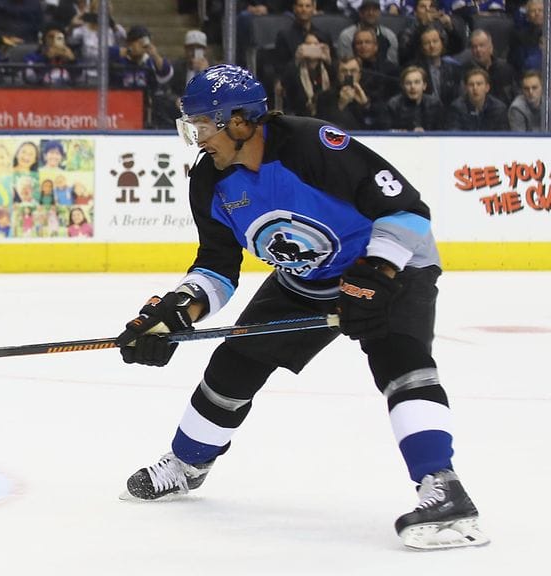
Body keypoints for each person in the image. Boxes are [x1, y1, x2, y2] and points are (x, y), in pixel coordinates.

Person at [115, 64, 488, 551]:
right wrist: (178, 311)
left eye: (205, 125)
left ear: (242, 122)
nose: (197, 138)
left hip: (393, 264)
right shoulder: (209, 182)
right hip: (305, 277)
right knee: (235, 363)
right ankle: (188, 464)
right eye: (193, 126)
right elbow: (217, 267)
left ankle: (443, 487)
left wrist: (376, 276)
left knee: (402, 361)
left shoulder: (311, 146)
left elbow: (406, 211)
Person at [380, 65, 444, 131]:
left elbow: (442, 131)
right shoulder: (393, 105)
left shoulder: (435, 104)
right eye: (408, 83)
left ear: (424, 86)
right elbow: (386, 131)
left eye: (417, 82)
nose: (413, 87)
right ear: (402, 86)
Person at [444, 67, 509, 131]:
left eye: (479, 84)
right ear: (466, 88)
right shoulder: (456, 108)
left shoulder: (499, 108)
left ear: (487, 88)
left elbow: (503, 137)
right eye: (471, 85)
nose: (475, 88)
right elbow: (454, 136)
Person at [336, 0, 399, 65]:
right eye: (367, 10)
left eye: (374, 10)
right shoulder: (347, 36)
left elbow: (392, 65)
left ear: (379, 13)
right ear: (360, 13)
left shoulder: (389, 36)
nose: (371, 13)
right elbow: (345, 65)